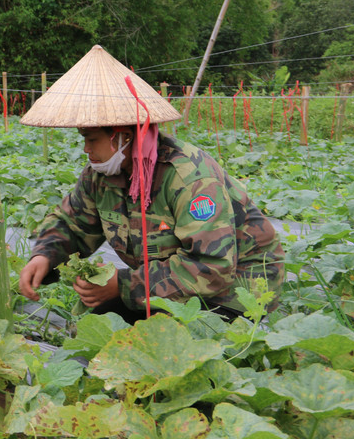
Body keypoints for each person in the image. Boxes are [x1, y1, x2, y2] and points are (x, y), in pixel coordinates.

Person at [17, 45, 284, 325]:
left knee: (166, 345)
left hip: (236, 293)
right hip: (168, 287)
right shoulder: (100, 175)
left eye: (92, 139)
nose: (85, 149)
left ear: (123, 137)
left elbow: (212, 268)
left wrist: (122, 285)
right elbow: (72, 224)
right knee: (100, 327)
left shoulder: (188, 178)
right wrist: (44, 256)